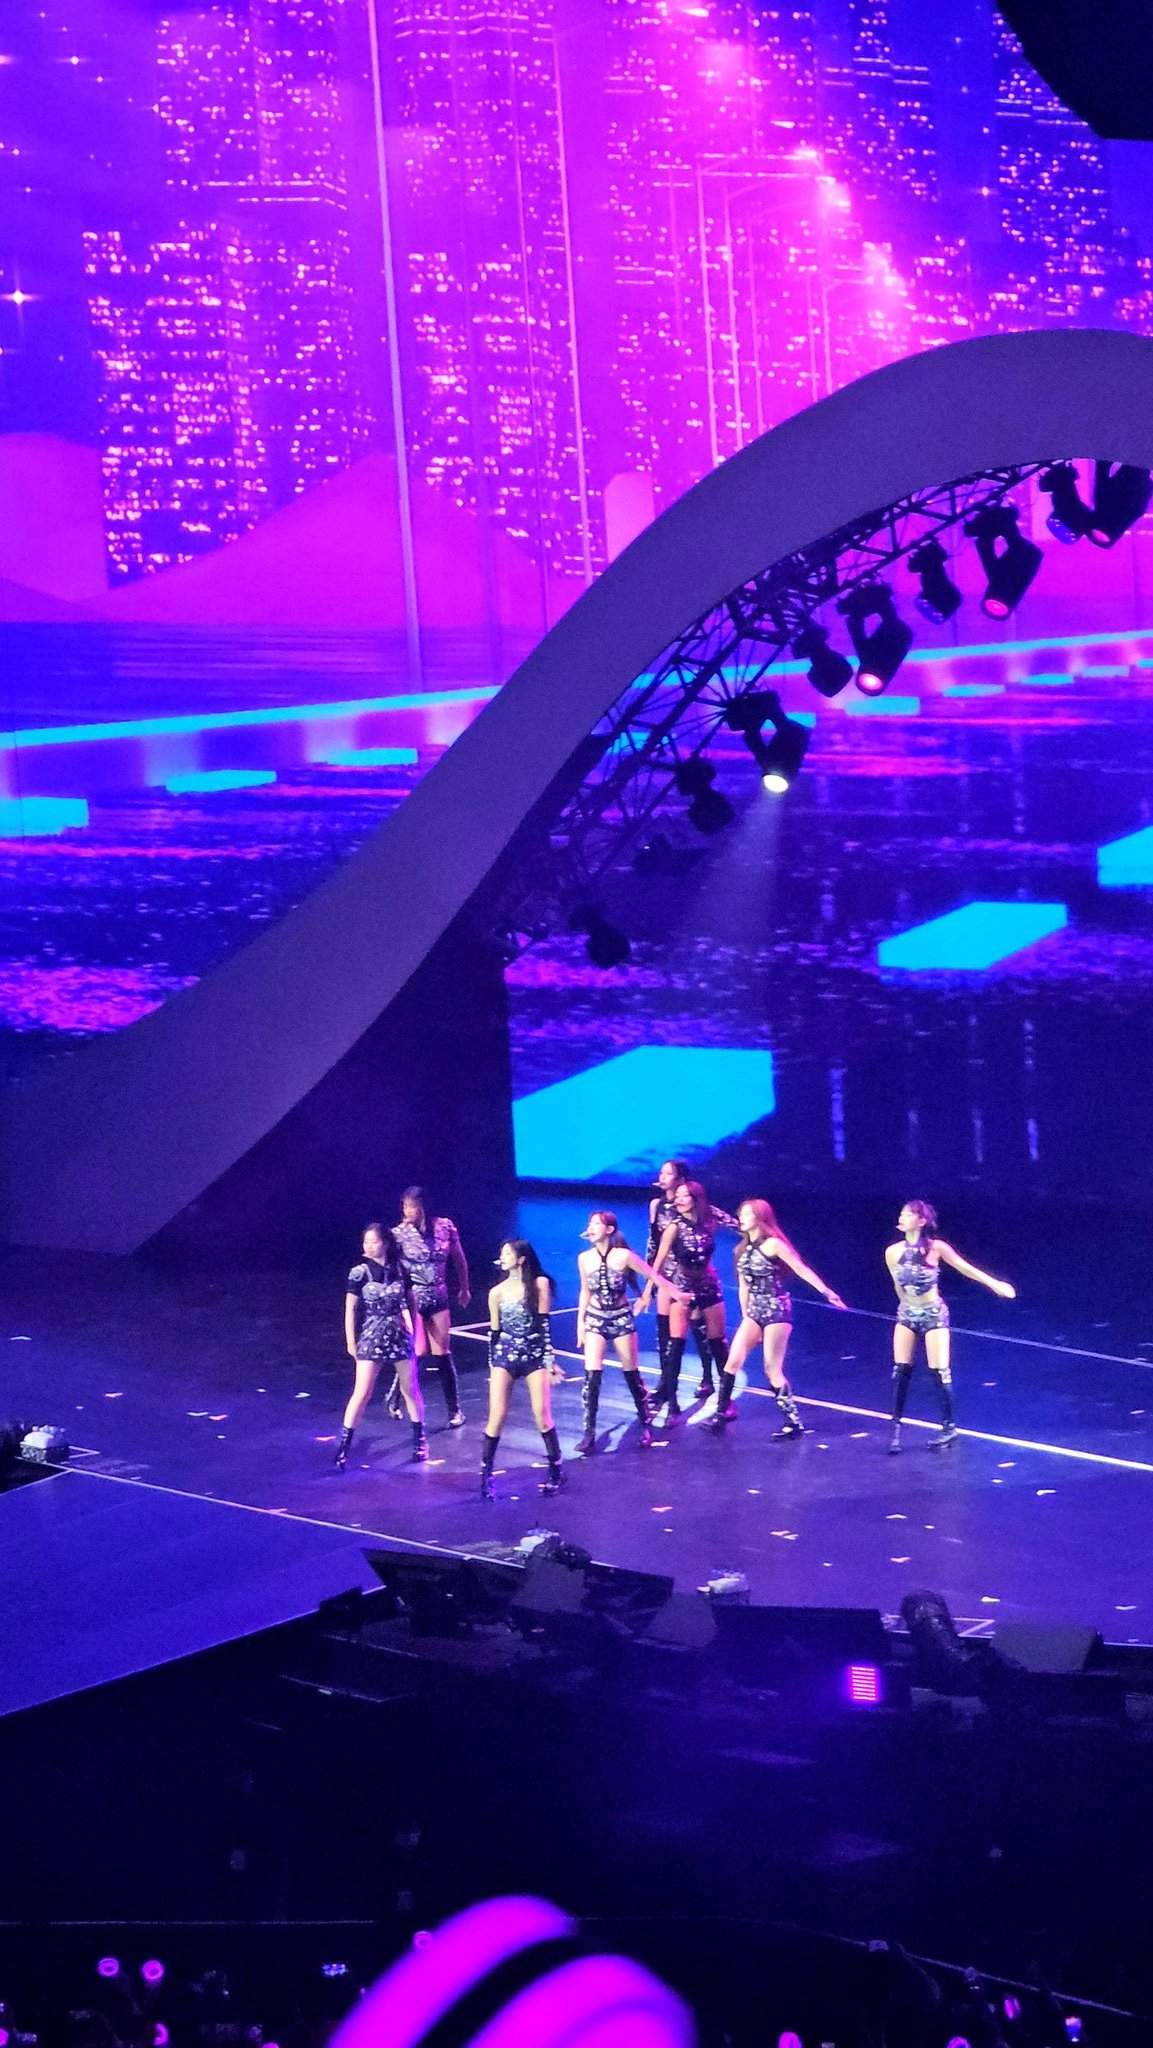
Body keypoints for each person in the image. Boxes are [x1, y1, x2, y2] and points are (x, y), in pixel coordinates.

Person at [886, 1199, 1016, 1452]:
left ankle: (948, 1427)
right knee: (901, 1371)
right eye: (901, 1214)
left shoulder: (936, 1248)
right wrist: (906, 1308)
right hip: (907, 1313)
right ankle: (895, 1427)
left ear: (921, 1221)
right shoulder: (892, 1252)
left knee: (939, 1370)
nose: (902, 1218)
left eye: (908, 1215)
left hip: (933, 1313)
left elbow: (964, 1268)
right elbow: (897, 1284)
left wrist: (995, 1284)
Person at [711, 1199, 847, 1432]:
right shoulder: (741, 1250)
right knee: (732, 1363)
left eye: (747, 1214)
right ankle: (720, 1414)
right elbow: (743, 1286)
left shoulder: (773, 1245)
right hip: (754, 1312)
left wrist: (826, 1292)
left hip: (776, 1310)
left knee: (771, 1368)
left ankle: (793, 1422)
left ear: (760, 1218)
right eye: (741, 1213)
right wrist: (746, 1315)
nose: (741, 1218)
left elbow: (800, 1268)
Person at [576, 1211, 690, 1455]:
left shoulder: (624, 1256)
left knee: (631, 1374)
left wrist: (677, 1294)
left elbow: (654, 1276)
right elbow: (585, 1291)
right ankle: (589, 1433)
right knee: (592, 1376)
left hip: (620, 1318)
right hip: (596, 1317)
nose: (591, 1227)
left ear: (609, 1229)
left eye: (596, 1223)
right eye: (590, 1223)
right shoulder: (584, 1259)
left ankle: (645, 1424)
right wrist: (580, 1323)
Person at [335, 1224, 427, 1468]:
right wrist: (351, 1341)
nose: (368, 1246)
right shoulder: (359, 1273)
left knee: (410, 1388)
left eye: (374, 1241)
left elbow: (412, 1303)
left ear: (385, 1243)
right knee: (362, 1391)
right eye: (366, 1241)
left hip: (398, 1333)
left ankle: (420, 1440)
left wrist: (416, 1334)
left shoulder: (401, 1269)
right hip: (372, 1334)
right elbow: (350, 1309)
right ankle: (344, 1446)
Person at [646, 1160, 738, 1399]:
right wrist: (649, 1276)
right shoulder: (657, 1205)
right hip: (667, 1277)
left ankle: (708, 1378)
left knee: (701, 1328)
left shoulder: (701, 1210)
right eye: (661, 1173)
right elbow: (653, 1241)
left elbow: (735, 1225)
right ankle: (665, 1385)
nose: (662, 1177)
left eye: (668, 1174)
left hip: (693, 1274)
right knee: (666, 1332)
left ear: (681, 1180)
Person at [481, 1239, 565, 1500]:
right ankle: (486, 1474)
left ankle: (556, 1469)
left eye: (508, 1253)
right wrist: (493, 1366)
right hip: (505, 1356)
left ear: (521, 1259)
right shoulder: (496, 1292)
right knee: (496, 1416)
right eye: (502, 1253)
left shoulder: (539, 1285)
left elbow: (544, 1326)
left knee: (541, 1414)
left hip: (533, 1356)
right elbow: (494, 1333)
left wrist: (549, 1363)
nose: (503, 1257)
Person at [391, 1186, 471, 1428]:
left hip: (439, 1296)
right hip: (414, 1298)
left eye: (411, 1206)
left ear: (423, 1207)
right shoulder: (398, 1234)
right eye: (405, 1206)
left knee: (442, 1352)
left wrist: (464, 1287)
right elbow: (391, 1268)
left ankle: (454, 1410)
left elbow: (459, 1258)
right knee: (417, 1351)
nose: (407, 1211)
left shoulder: (445, 1227)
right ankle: (395, 1396)